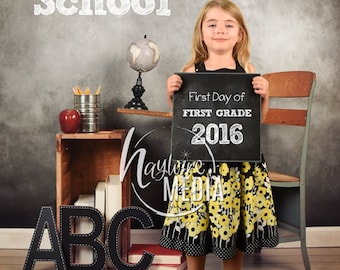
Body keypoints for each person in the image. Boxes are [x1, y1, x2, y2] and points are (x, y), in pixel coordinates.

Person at [159, 1, 279, 269]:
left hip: (239, 164)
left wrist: (265, 95)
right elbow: (184, 121)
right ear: (201, 33)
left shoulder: (248, 72)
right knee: (195, 222)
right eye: (212, 24)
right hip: (199, 166)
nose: (220, 30)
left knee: (234, 224)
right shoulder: (190, 72)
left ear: (240, 34)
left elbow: (256, 121)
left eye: (228, 25)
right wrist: (170, 94)